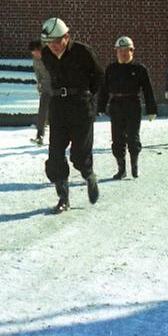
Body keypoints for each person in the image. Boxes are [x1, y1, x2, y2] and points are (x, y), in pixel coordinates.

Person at [40, 17, 105, 213]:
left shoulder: (82, 52)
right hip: (59, 107)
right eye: (50, 43)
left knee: (79, 155)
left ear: (66, 37)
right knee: (55, 156)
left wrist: (89, 98)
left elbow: (99, 75)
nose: (54, 47)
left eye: (58, 42)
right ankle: (63, 198)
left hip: (81, 108)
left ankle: (89, 175)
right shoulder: (46, 55)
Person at [97, 36, 157, 179]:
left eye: (127, 51)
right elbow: (104, 89)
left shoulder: (139, 69)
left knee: (133, 138)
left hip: (133, 105)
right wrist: (101, 106)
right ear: (116, 52)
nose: (123, 53)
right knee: (117, 139)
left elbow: (148, 90)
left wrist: (151, 110)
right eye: (120, 50)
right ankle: (121, 169)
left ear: (132, 51)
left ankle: (134, 166)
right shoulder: (111, 69)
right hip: (116, 105)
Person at [29, 39, 52, 145]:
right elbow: (38, 73)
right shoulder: (36, 60)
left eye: (36, 52)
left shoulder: (50, 57)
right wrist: (39, 83)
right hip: (45, 89)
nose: (35, 55)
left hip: (56, 89)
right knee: (42, 112)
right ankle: (40, 136)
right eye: (33, 53)